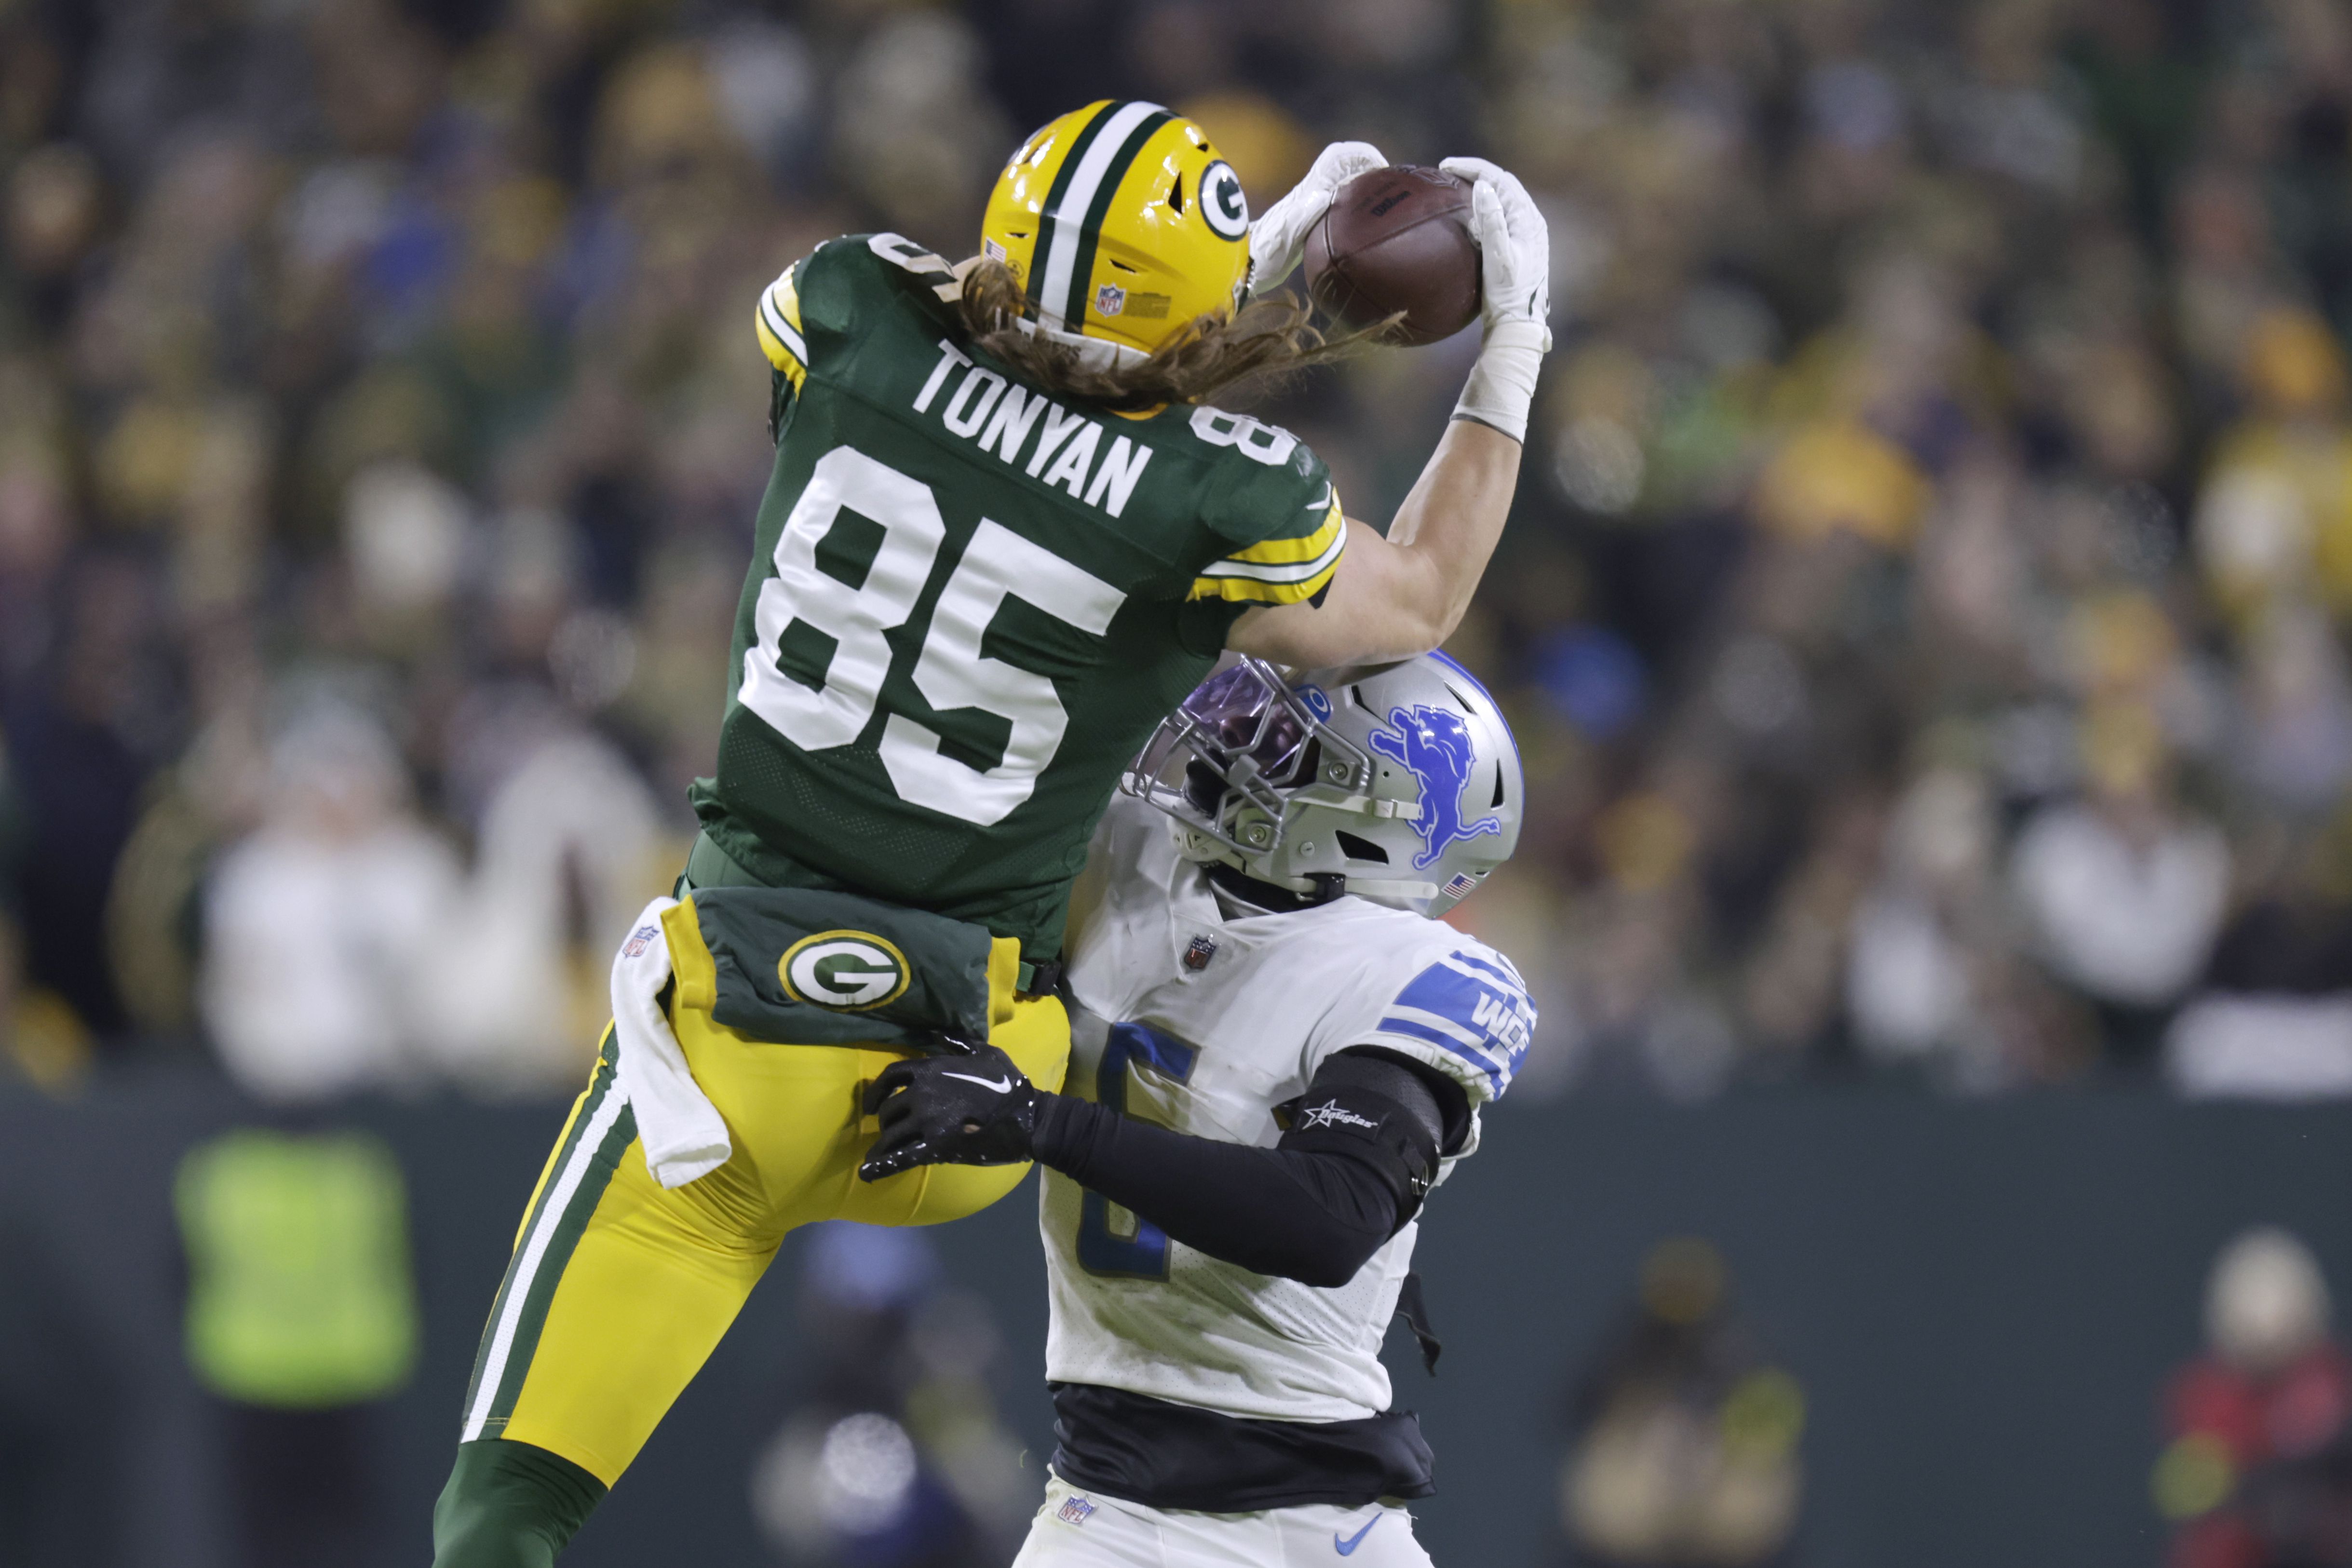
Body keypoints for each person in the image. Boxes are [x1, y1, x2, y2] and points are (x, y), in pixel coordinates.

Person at [431, 99, 1551, 1568]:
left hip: (725, 1041)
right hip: (961, 1066)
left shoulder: (846, 305)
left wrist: (1249, 265)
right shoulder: (1218, 502)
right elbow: (1407, 596)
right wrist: (1510, 341)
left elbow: (1002, 333)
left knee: (500, 1512)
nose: (1241, 737)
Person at [859, 652, 1537, 1565]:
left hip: (1311, 1526)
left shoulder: (1409, 970)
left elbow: (1328, 1220)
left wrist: (1043, 1124)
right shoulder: (1127, 852)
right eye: (1247, 716)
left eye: (1285, 743)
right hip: (1104, 1502)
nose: (1226, 744)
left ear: (1372, 819)